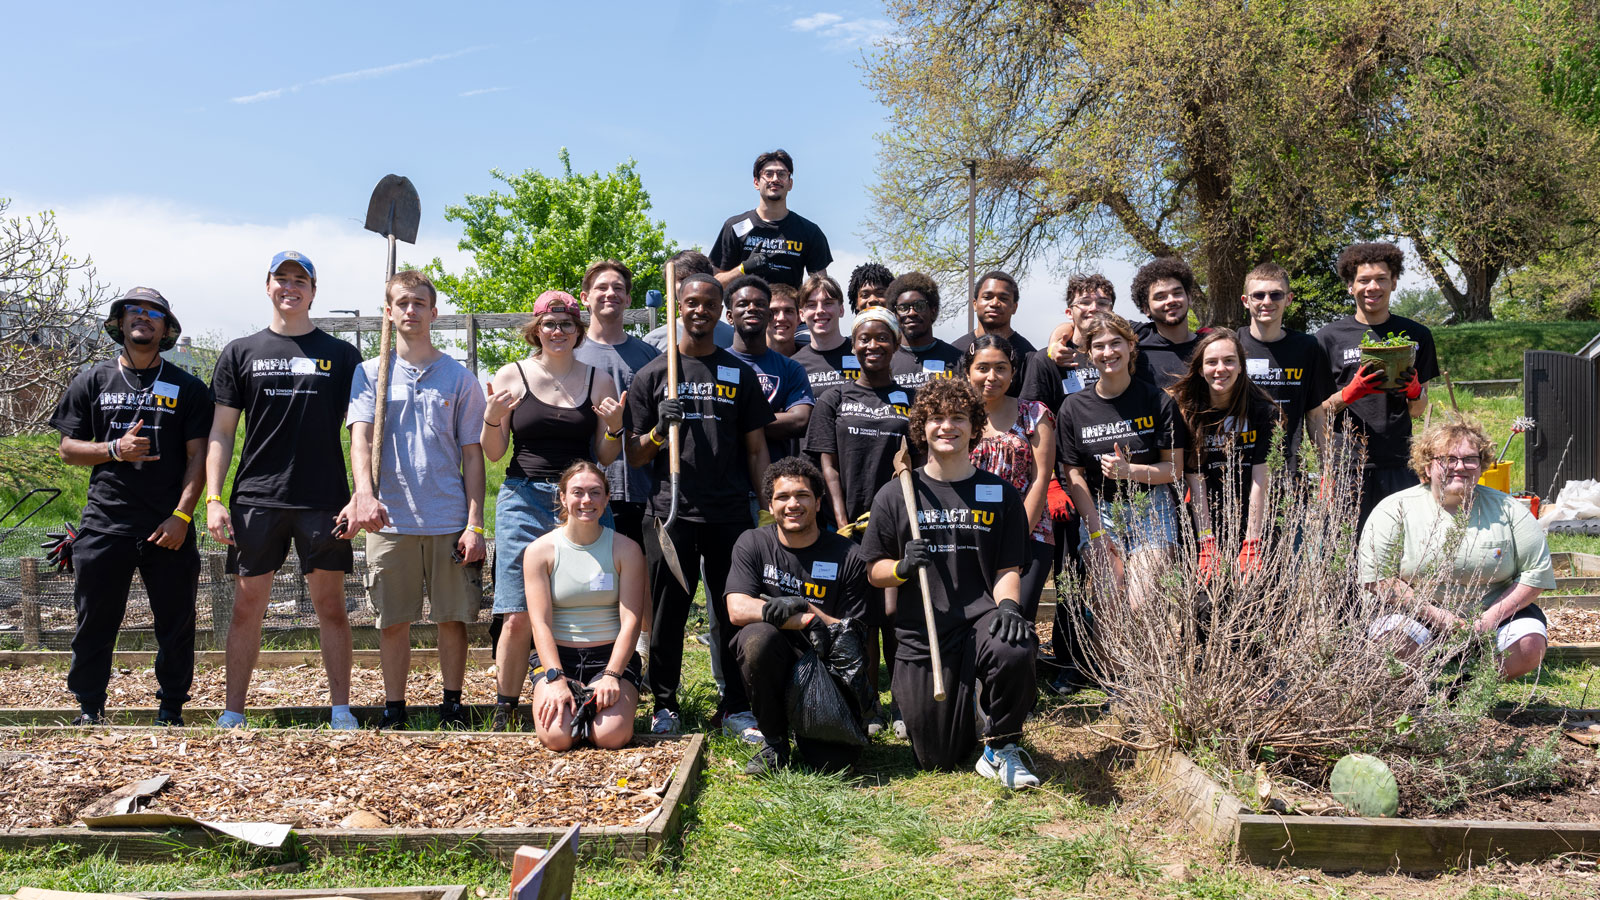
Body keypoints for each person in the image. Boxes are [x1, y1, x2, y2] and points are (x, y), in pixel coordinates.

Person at [207, 252, 364, 729]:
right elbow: (221, 433)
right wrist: (213, 500)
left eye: (301, 280)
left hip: (324, 499)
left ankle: (341, 710)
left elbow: (362, 433)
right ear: (268, 285)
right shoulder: (240, 352)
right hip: (256, 498)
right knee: (246, 608)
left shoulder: (342, 356)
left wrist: (362, 493)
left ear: (314, 291)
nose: (290, 287)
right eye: (282, 279)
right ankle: (233, 712)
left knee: (332, 607)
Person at [861, 379, 1039, 786]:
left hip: (978, 621)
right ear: (921, 427)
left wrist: (1009, 607)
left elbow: (1007, 569)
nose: (947, 426)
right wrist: (902, 568)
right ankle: (975, 706)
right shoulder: (896, 495)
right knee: (938, 756)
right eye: (936, 418)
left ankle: (1002, 744)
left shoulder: (999, 493)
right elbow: (874, 571)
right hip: (921, 633)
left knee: (1015, 645)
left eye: (958, 417)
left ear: (975, 427)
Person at [50, 287, 210, 726]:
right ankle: (89, 708)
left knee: (176, 625)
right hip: (105, 523)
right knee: (94, 623)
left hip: (167, 526)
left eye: (153, 313)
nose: (143, 318)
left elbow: (199, 457)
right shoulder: (92, 380)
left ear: (165, 328)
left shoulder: (189, 387)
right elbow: (67, 448)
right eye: (133, 312)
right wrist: (115, 449)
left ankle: (171, 709)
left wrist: (182, 516)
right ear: (120, 323)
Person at [626, 274, 774, 739]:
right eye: (692, 302)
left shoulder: (738, 373)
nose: (700, 310)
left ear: (720, 309)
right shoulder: (654, 374)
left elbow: (755, 449)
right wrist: (655, 432)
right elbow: (632, 454)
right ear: (679, 306)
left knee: (731, 610)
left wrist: (766, 505)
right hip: (672, 511)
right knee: (669, 614)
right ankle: (664, 704)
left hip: (730, 511)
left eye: (710, 303)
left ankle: (735, 705)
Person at [342, 271, 487, 730]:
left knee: (452, 618)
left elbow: (473, 453)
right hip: (389, 518)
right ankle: (394, 708)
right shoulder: (370, 373)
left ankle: (452, 706)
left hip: (447, 516)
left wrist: (475, 522)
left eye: (419, 303)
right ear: (388, 312)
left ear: (433, 312)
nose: (410, 310)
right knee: (392, 620)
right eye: (401, 303)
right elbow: (360, 440)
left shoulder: (459, 377)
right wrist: (364, 495)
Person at [482, 291, 626, 731]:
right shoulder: (512, 375)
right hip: (524, 497)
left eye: (566, 324)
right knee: (517, 610)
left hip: (582, 500)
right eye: (550, 324)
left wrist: (616, 427)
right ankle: (505, 708)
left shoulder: (598, 379)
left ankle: (594, 684)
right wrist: (491, 417)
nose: (558, 332)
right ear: (536, 329)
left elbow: (605, 455)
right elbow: (493, 453)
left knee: (600, 597)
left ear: (578, 331)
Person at [1360, 418, 1552, 680]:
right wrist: (1441, 618)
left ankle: (1469, 688)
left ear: (1481, 466)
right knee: (1393, 643)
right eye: (1448, 459)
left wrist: (1485, 621)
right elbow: (1379, 579)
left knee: (1529, 645)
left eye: (1470, 459)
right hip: (1418, 613)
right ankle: (1417, 687)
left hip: (1494, 613)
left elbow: (1535, 575)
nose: (1460, 467)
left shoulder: (1509, 510)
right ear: (1427, 467)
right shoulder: (1395, 509)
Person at [805, 307, 917, 735]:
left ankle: (904, 705)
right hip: (847, 524)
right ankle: (867, 705)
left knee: (897, 613)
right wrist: (840, 520)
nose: (873, 346)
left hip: (898, 523)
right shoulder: (834, 399)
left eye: (882, 338)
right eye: (864, 339)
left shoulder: (910, 398)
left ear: (896, 344)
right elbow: (826, 465)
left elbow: (917, 464)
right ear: (853, 345)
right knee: (860, 616)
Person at [727, 457, 871, 774]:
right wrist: (787, 616)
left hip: (826, 665)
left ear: (818, 502)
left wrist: (806, 607)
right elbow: (737, 608)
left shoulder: (848, 556)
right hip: (775, 655)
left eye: (803, 495)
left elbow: (852, 634)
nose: (793, 504)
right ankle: (774, 741)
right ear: (770, 504)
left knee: (833, 764)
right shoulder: (752, 543)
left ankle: (809, 731)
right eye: (783, 497)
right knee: (757, 639)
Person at [1055, 312, 1186, 609]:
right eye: (1099, 346)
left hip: (1152, 507)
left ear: (1131, 346)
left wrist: (1130, 471)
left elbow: (1175, 469)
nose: (1108, 352)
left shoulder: (1158, 401)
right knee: (1109, 603)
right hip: (1100, 510)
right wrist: (1097, 531)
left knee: (1141, 602)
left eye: (1116, 343)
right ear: (1089, 354)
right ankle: (1106, 658)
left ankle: (1147, 658)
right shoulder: (1073, 408)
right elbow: (1073, 475)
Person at [524, 461, 647, 750]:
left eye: (595, 492)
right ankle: (575, 704)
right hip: (559, 659)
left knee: (611, 736)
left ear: (606, 498)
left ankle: (595, 705)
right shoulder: (539, 552)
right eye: (577, 492)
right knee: (557, 737)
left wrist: (611, 675)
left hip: (610, 658)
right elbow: (539, 623)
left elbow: (631, 622)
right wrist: (555, 677)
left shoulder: (626, 550)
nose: (586, 501)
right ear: (563, 497)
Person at [1316, 242, 1438, 527]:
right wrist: (1350, 392)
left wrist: (1414, 390)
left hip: (1399, 460)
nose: (1373, 287)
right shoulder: (1327, 338)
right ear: (1350, 286)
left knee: (1399, 543)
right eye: (1364, 280)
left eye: (1381, 279)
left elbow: (1418, 410)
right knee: (1346, 547)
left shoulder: (1417, 335)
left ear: (1394, 283)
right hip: (1348, 464)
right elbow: (1318, 411)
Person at [1167, 329, 1282, 578]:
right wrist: (1207, 543)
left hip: (1255, 513)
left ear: (1241, 366)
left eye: (1229, 360)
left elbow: (1260, 479)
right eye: (1211, 362)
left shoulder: (1264, 411)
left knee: (1257, 593)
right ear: (1200, 369)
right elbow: (1196, 482)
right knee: (1207, 600)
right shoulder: (1187, 412)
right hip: (1206, 516)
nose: (1221, 369)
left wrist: (1253, 542)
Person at [964, 335, 1056, 621]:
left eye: (1001, 368)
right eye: (983, 368)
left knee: (1017, 618)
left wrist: (1014, 538)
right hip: (970, 534)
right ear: (968, 372)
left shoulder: (1034, 414)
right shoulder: (956, 417)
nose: (992, 376)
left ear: (1013, 372)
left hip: (1028, 533)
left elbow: (1040, 479)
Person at [574, 259, 660, 547]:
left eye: (618, 288)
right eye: (601, 287)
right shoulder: (570, 356)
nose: (610, 293)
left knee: (636, 582)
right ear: (584, 298)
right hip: (585, 493)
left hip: (642, 490)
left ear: (628, 299)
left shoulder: (651, 356)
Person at [1237, 263, 1332, 473]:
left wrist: (1328, 469)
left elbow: (1315, 415)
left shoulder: (1307, 347)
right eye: (1258, 295)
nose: (1267, 302)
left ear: (1288, 299)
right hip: (1238, 467)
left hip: (1288, 470)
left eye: (1276, 295)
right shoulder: (1232, 345)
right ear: (1246, 301)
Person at [710, 149, 832, 289]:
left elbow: (821, 288)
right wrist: (743, 269)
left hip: (787, 309)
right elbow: (713, 285)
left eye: (781, 174)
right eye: (768, 174)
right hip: (747, 310)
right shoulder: (734, 227)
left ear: (790, 183)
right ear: (756, 182)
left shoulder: (809, 232)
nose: (775, 179)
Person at [725, 274, 814, 465]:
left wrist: (732, 420)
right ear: (729, 317)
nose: (751, 309)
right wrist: (773, 420)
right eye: (743, 304)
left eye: (759, 304)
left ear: (768, 315)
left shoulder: (791, 368)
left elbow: (799, 420)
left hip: (774, 480)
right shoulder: (715, 364)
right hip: (724, 483)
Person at [1019, 274, 1115, 415]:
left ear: (1112, 311)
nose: (1094, 308)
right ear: (1069, 313)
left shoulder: (1121, 354)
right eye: (1085, 302)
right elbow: (1030, 417)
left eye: (1102, 303)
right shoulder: (1045, 360)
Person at [951, 271, 1037, 397]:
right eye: (987, 297)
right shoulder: (955, 352)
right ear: (975, 304)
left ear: (1014, 307)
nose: (994, 303)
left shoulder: (1029, 356)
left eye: (1003, 298)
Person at [1130, 257, 1207, 389]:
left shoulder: (1209, 347)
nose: (1171, 300)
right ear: (1146, 308)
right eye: (1160, 297)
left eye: (1177, 293)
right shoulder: (1135, 346)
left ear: (1189, 298)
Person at [644, 251, 735, 351]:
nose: (689, 285)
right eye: (682, 279)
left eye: (695, 278)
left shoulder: (733, 339)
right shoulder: (653, 342)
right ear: (670, 286)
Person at [889, 272, 963, 389]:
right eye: (903, 308)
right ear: (895, 314)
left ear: (933, 310)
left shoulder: (957, 359)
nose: (912, 313)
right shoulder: (886, 360)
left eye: (920, 305)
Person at [790, 273, 858, 399]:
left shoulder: (861, 355)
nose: (820, 310)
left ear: (841, 310)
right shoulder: (794, 366)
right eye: (811, 305)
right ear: (801, 315)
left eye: (828, 303)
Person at [767, 283, 806, 358]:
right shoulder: (746, 363)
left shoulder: (811, 360)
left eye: (788, 311)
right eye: (774, 311)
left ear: (799, 318)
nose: (781, 318)